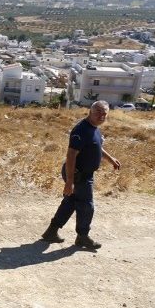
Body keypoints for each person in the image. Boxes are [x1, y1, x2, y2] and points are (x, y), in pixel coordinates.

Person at [41, 100, 121, 249]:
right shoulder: (81, 130)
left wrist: (111, 159)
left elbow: (97, 147)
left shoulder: (94, 128)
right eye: (98, 112)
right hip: (78, 175)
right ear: (90, 112)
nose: (101, 116)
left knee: (70, 202)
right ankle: (82, 237)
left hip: (82, 175)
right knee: (86, 206)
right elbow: (71, 155)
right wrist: (69, 181)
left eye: (104, 114)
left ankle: (51, 232)